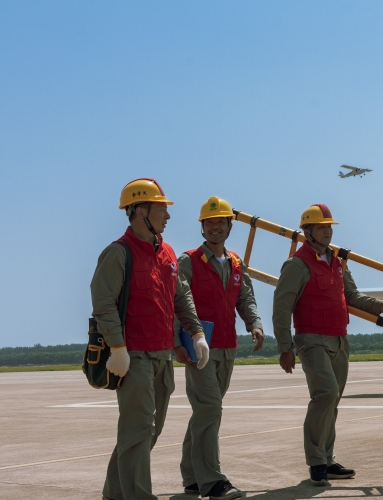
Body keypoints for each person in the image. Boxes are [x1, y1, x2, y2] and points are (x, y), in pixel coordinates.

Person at [91, 178, 208, 500]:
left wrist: (196, 333)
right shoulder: (118, 253)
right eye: (162, 209)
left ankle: (115, 494)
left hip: (161, 355)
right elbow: (103, 304)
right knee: (139, 430)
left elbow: (181, 296)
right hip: (133, 356)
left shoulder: (167, 252)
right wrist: (117, 347)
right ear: (140, 210)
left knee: (146, 432)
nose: (168, 217)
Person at [272, 204, 383, 486]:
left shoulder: (337, 262)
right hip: (311, 340)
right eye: (321, 226)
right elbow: (281, 307)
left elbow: (350, 295)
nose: (328, 230)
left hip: (339, 340)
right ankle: (316, 462)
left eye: (330, 226)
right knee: (325, 394)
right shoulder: (297, 264)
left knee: (333, 401)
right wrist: (285, 347)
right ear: (308, 231)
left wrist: (379, 307)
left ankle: (327, 459)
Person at [178, 196, 265, 500]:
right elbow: (176, 302)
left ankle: (191, 477)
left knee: (205, 411)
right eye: (209, 222)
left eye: (220, 222)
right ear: (202, 227)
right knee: (210, 409)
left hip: (227, 347)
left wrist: (254, 323)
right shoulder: (187, 261)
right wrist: (180, 342)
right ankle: (213, 481)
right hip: (198, 348)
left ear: (229, 226)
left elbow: (246, 298)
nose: (215, 227)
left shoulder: (236, 263)